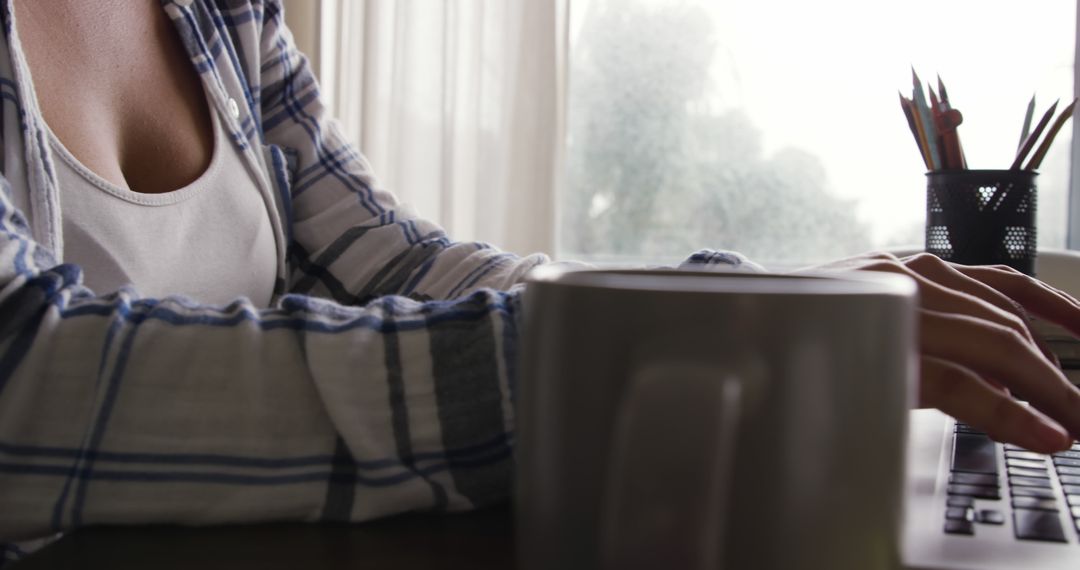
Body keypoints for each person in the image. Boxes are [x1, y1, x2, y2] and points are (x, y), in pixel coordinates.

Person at [1, 0, 1079, 552]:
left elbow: (395, 257)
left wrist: (739, 301)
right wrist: (682, 344)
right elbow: (22, 375)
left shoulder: (225, 12)